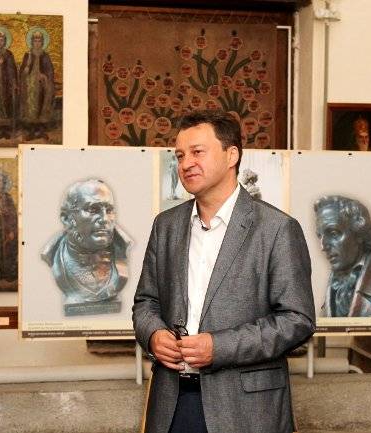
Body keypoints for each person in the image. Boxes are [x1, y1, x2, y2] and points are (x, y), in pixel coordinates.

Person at [133, 110, 316, 433]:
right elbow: (146, 302)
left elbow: (297, 319)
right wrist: (153, 335)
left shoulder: (276, 229)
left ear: (231, 155)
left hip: (246, 409)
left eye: (197, 152)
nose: (186, 164)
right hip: (172, 402)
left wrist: (219, 348)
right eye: (180, 155)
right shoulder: (166, 226)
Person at [41, 179, 131, 316]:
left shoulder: (122, 248)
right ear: (67, 218)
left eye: (109, 210)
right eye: (93, 209)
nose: (104, 219)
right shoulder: (52, 254)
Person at [314, 195, 371, 317]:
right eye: (320, 236)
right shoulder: (333, 282)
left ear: (359, 232)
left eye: (333, 233)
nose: (323, 247)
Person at [19, 29, 55, 141]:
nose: (37, 43)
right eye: (35, 40)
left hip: (42, 86)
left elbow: (50, 70)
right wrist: (26, 69)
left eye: (39, 41)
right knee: (31, 108)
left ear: (42, 42)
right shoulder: (27, 55)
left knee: (42, 105)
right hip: (30, 87)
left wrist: (44, 76)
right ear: (32, 42)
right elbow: (22, 72)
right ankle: (32, 131)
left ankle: (41, 130)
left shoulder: (45, 56)